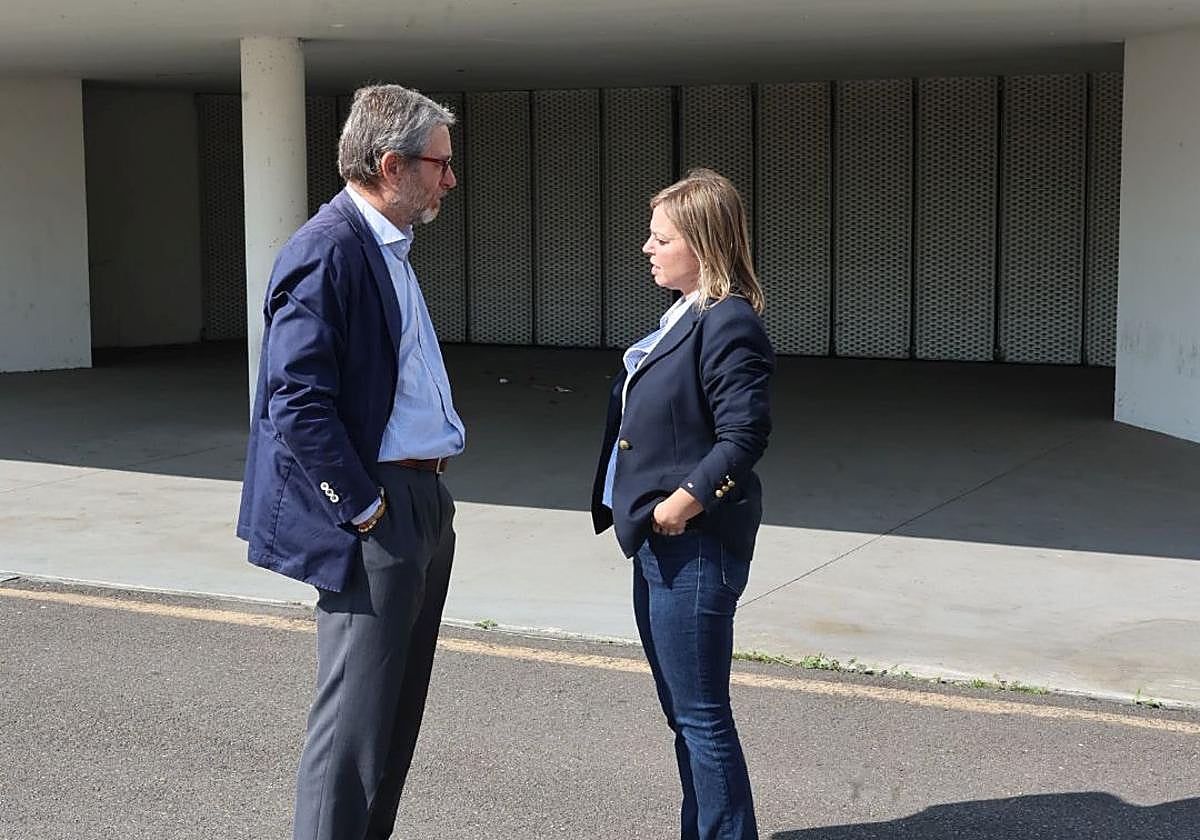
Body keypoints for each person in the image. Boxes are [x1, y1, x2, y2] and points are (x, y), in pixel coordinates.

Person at [236, 84, 464, 840]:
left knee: (393, 719)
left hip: (422, 500)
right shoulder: (328, 250)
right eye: (440, 165)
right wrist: (361, 507)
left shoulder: (387, 250)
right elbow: (294, 398)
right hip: (379, 508)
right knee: (353, 726)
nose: (449, 180)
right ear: (392, 164)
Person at [591, 168, 774, 840]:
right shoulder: (684, 316)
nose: (647, 247)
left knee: (701, 715)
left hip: (692, 545)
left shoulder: (728, 324)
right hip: (660, 545)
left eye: (660, 237)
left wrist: (683, 504)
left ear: (702, 244)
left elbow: (745, 435)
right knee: (684, 714)